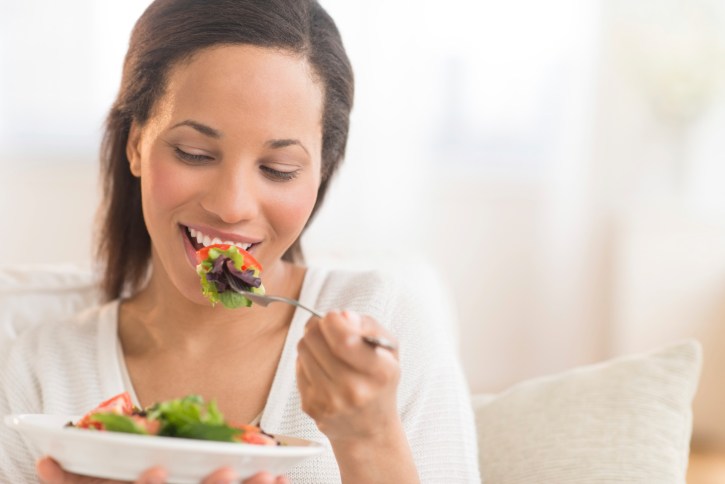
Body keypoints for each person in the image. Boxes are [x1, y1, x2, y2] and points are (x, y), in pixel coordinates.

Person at [0, 0, 480, 482]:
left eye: (278, 170)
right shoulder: (42, 368)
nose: (232, 206)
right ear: (136, 145)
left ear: (321, 174)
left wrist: (369, 438)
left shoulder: (385, 322)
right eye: (194, 154)